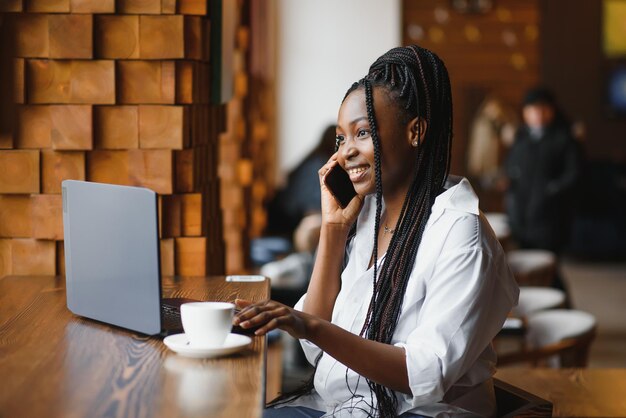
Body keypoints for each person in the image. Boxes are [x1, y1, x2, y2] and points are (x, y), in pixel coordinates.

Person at [234, 45, 518, 417]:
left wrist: (307, 324)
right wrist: (334, 230)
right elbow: (314, 350)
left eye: (362, 133)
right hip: (348, 405)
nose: (346, 152)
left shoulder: (460, 232)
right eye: (341, 138)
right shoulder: (369, 215)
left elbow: (424, 374)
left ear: (415, 131)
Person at [504, 87, 581, 254]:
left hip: (550, 216)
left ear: (552, 110)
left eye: (543, 109)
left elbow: (574, 173)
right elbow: (510, 168)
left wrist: (551, 190)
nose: (538, 114)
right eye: (532, 109)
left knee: (547, 265)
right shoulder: (521, 138)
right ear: (525, 112)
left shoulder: (564, 138)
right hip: (521, 214)